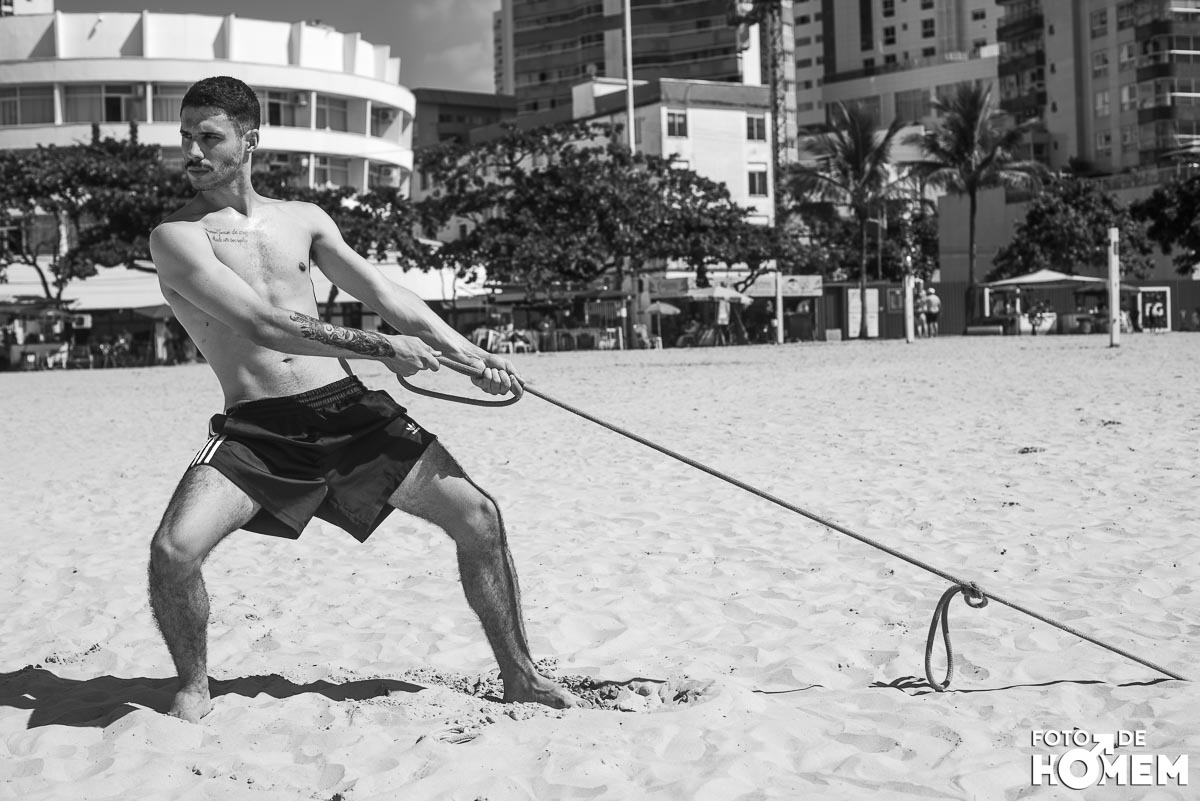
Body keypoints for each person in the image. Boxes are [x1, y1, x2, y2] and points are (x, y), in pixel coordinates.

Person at [147, 76, 583, 722]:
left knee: (479, 518)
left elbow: (387, 295)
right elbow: (262, 323)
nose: (192, 151)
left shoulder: (303, 219)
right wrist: (381, 346)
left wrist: (473, 357)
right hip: (259, 427)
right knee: (173, 552)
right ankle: (192, 685)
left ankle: (521, 675)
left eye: (208, 137)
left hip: (345, 412)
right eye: (185, 136)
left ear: (250, 140)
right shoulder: (176, 236)